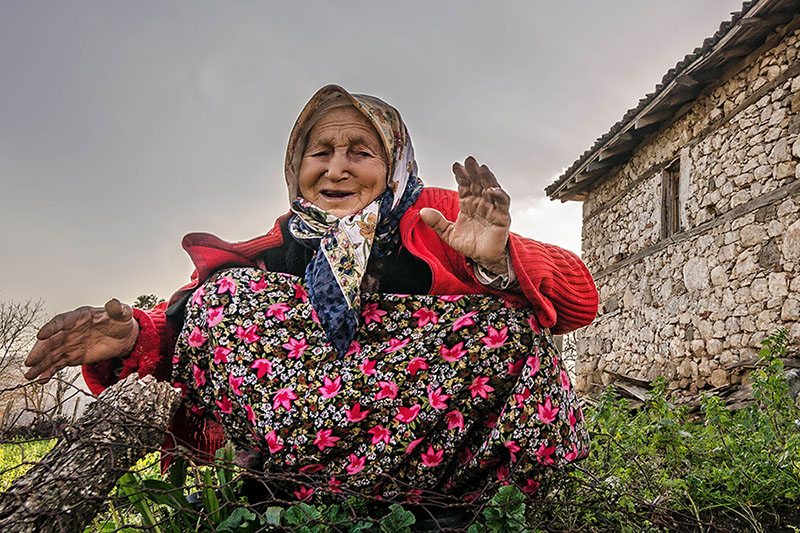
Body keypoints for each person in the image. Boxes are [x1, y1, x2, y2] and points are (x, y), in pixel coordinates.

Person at [24, 85, 598, 505]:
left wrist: (495, 262)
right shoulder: (281, 245)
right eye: (320, 151)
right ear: (296, 164)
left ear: (393, 161)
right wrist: (135, 333)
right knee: (224, 297)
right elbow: (188, 322)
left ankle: (442, 507)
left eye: (360, 151)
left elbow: (579, 301)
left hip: (444, 456)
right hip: (308, 449)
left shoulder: (440, 214)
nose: (337, 168)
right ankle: (309, 493)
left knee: (515, 328)